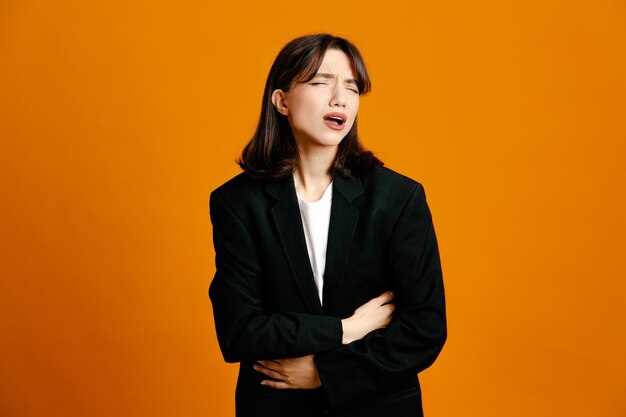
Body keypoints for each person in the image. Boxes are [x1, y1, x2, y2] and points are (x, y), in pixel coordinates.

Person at [208, 33, 446, 417]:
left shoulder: (398, 198)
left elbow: (425, 328)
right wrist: (346, 329)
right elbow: (239, 331)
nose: (340, 98)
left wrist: (325, 372)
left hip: (377, 405)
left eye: (352, 87)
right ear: (281, 100)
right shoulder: (237, 203)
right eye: (321, 82)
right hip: (276, 406)